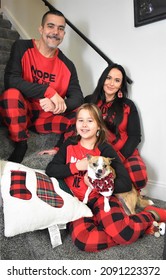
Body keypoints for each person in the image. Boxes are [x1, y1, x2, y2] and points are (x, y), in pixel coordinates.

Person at [46, 103, 166, 252]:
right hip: (77, 203)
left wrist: (97, 184)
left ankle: (151, 215)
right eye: (80, 120)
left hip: (102, 199)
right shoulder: (69, 145)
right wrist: (76, 167)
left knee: (125, 233)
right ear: (75, 124)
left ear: (98, 126)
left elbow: (125, 184)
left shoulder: (104, 149)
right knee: (83, 241)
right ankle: (133, 227)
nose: (84, 125)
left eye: (90, 121)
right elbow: (51, 170)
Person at [0, 10, 83, 163]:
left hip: (45, 118)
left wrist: (59, 105)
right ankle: (21, 143)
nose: (55, 32)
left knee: (83, 114)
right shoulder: (21, 47)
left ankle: (62, 149)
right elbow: (11, 80)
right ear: (41, 29)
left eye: (60, 28)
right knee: (10, 95)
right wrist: (48, 91)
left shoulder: (68, 65)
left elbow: (77, 97)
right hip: (20, 112)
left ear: (64, 34)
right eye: (50, 26)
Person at [85, 63, 147, 192]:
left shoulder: (128, 105)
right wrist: (58, 147)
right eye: (108, 78)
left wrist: (119, 158)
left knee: (139, 175)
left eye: (117, 80)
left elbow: (135, 137)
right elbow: (77, 126)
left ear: (121, 85)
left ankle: (126, 194)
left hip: (123, 152)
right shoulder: (89, 101)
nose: (111, 83)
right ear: (103, 79)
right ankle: (108, 194)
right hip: (98, 154)